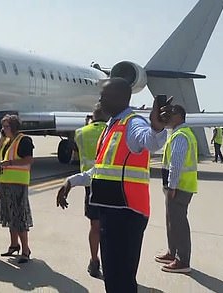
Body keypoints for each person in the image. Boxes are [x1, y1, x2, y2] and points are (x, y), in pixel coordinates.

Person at [56, 78, 169, 293]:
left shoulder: (133, 123)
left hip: (127, 213)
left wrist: (156, 127)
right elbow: (101, 170)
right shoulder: (112, 126)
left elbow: (150, 142)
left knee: (122, 278)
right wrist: (72, 181)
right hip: (111, 211)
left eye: (104, 96)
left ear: (119, 99)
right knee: (113, 276)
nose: (99, 100)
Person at [155, 105, 197, 274]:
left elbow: (176, 163)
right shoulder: (178, 133)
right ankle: (172, 252)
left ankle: (182, 260)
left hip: (179, 187)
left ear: (179, 116)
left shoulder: (181, 136)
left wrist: (172, 186)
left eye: (170, 114)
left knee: (179, 223)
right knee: (171, 221)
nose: (166, 118)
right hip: (175, 186)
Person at [74, 103, 109, 278]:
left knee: (94, 226)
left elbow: (78, 145)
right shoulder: (111, 132)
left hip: (90, 184)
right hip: (111, 184)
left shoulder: (81, 132)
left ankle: (94, 261)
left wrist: (88, 124)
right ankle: (111, 262)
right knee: (111, 227)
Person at [0, 114, 34, 264]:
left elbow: (29, 160)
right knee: (10, 216)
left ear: (14, 127)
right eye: (2, 127)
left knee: (19, 217)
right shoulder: (6, 140)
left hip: (18, 184)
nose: (3, 129)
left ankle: (25, 249)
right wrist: (1, 138)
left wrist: (10, 163)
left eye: (6, 126)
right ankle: (13, 245)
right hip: (5, 183)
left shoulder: (23, 140)